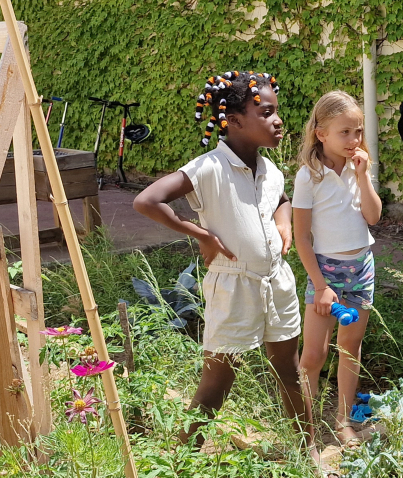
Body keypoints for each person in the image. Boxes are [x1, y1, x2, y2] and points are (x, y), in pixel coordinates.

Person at [131, 71, 311, 446]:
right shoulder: (209, 167)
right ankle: (183, 467)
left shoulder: (270, 169)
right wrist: (201, 234)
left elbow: (280, 198)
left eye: (277, 112)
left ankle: (307, 454)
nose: (277, 120)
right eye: (265, 113)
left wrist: (284, 224)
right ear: (235, 120)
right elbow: (147, 201)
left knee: (290, 372)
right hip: (233, 285)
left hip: (276, 281)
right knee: (218, 380)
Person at [293, 90, 382, 447]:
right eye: (344, 132)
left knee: (351, 345)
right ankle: (308, 429)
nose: (354, 140)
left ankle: (343, 421)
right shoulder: (308, 177)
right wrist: (319, 284)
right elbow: (301, 238)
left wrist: (362, 177)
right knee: (313, 355)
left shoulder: (359, 168)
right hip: (325, 272)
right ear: (321, 134)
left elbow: (373, 217)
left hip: (362, 266)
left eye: (358, 131)